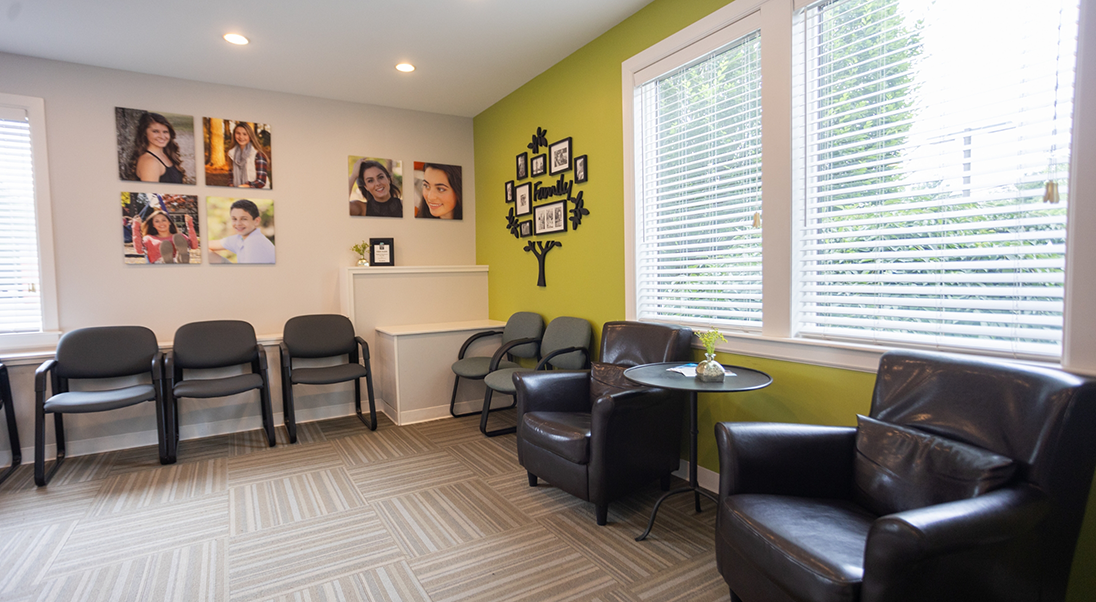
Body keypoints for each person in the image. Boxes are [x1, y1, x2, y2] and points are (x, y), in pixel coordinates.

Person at [209, 199, 275, 263]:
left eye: (244, 219)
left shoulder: (255, 243)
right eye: (234, 219)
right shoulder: (240, 238)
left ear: (256, 221)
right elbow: (208, 245)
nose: (238, 224)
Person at [127, 112, 186, 184]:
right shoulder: (150, 162)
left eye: (165, 132)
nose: (162, 136)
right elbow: (150, 195)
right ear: (145, 133)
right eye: (156, 131)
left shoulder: (167, 155)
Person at [131, 209, 196, 264]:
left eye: (164, 220)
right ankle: (169, 262)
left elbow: (194, 245)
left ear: (169, 222)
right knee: (163, 258)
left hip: (178, 265)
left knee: (178, 257)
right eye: (157, 221)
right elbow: (139, 250)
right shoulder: (149, 238)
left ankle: (181, 257)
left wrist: (190, 225)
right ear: (153, 225)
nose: (161, 223)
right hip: (158, 266)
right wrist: (136, 227)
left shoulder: (179, 237)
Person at [226, 122, 270, 189]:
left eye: (245, 134)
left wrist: (246, 186)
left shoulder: (258, 155)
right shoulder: (232, 154)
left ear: (250, 136)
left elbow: (261, 181)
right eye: (238, 133)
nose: (241, 137)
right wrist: (231, 186)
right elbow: (231, 177)